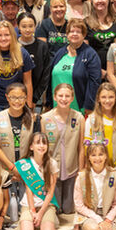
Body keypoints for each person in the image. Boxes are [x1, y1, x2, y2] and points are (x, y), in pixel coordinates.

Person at [0, 83, 38, 222]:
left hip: (27, 170)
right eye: (13, 97)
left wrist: (22, 170)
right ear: (7, 98)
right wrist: (12, 168)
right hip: (5, 169)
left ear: (26, 98)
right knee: (10, 214)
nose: (17, 101)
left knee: (26, 211)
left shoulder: (34, 118)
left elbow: (36, 147)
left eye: (21, 97)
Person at [40, 83, 86, 214]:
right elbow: (42, 148)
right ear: (54, 97)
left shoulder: (79, 118)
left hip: (72, 169)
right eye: (60, 95)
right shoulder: (45, 118)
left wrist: (81, 171)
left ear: (72, 98)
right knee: (56, 209)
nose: (64, 99)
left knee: (69, 209)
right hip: (53, 170)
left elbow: (81, 147)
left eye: (67, 96)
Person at [72, 141, 116, 230]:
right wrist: (99, 221)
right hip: (89, 213)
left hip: (107, 213)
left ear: (106, 156)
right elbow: (79, 205)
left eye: (101, 154)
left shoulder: (114, 175)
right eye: (93, 155)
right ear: (89, 158)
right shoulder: (81, 177)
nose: (97, 158)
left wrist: (108, 220)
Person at [0, 21, 35, 112]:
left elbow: (28, 82)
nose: (3, 38)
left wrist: (29, 106)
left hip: (17, 102)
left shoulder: (22, 53)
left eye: (7, 35)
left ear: (12, 36)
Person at [48, 18, 102, 114]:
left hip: (79, 109)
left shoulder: (90, 55)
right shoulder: (60, 53)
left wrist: (89, 106)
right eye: (72, 31)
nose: (74, 34)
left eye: (78, 32)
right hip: (57, 107)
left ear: (84, 35)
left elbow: (94, 82)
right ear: (67, 34)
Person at [17, 132, 59, 230]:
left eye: (44, 143)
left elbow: (50, 192)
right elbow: (29, 189)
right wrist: (33, 211)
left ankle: (49, 220)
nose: (41, 146)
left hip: (46, 205)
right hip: (29, 205)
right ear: (31, 146)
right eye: (37, 143)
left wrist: (40, 214)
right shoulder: (25, 164)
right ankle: (32, 221)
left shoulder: (52, 163)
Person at [85, 83, 116, 167]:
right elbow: (87, 145)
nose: (107, 101)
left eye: (111, 97)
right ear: (98, 99)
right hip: (97, 167)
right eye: (103, 97)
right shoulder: (91, 120)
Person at [85, 0, 116, 75]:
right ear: (92, 1)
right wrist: (97, 70)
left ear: (109, 0)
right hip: (94, 69)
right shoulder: (86, 22)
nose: (100, 1)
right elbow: (85, 50)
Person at [18, 12, 50, 107]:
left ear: (35, 27)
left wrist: (34, 98)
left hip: (35, 97)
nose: (27, 29)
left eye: (31, 26)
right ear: (18, 27)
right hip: (15, 95)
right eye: (24, 26)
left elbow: (46, 75)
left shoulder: (42, 46)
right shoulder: (13, 45)